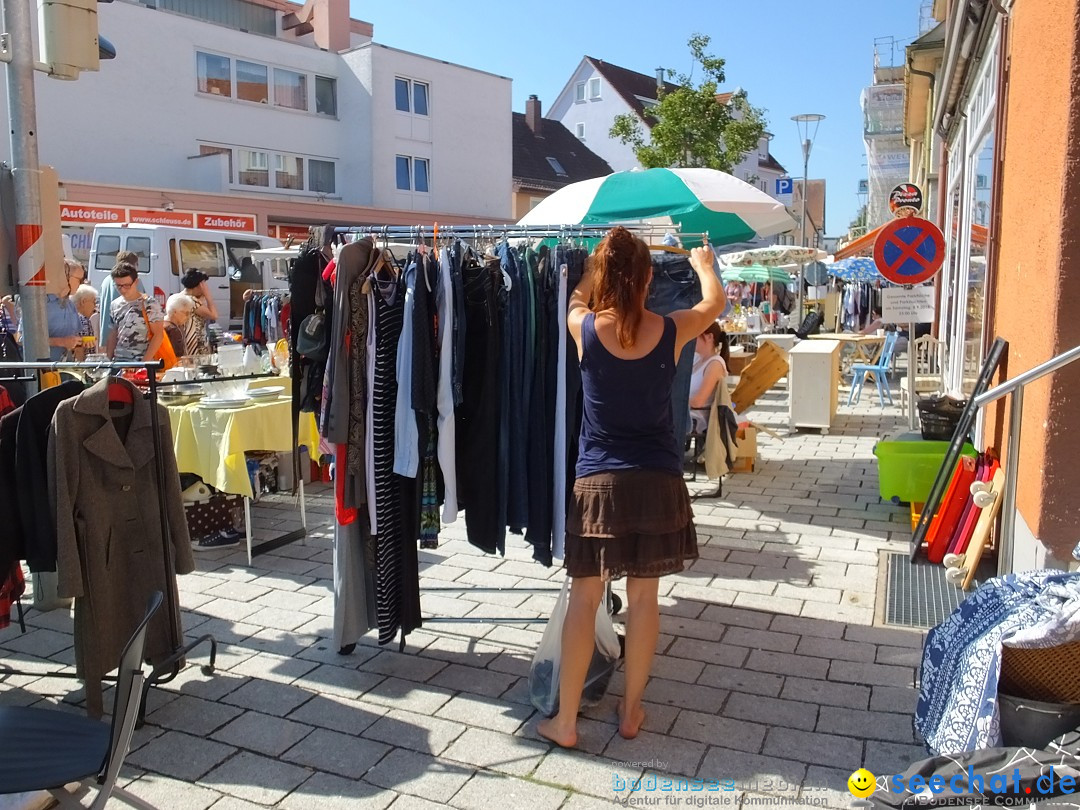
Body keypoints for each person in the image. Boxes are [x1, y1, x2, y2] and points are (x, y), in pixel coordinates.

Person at [537, 227, 725, 748]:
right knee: (644, 600)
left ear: (606, 280)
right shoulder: (671, 329)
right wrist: (703, 261)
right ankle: (632, 711)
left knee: (585, 597)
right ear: (646, 279)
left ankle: (567, 722)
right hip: (658, 478)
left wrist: (594, 272)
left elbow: (574, 299)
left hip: (598, 480)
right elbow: (715, 303)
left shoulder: (585, 328)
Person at [106, 261, 165, 361]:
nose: (123, 290)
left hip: (141, 361)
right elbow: (113, 333)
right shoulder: (114, 304)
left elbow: (158, 335)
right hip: (119, 361)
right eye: (118, 286)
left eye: (127, 285)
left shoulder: (149, 303)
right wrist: (108, 360)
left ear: (136, 282)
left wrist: (144, 363)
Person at [688, 322, 730, 434]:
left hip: (696, 416)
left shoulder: (715, 364)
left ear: (709, 337)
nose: (690, 338)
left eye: (694, 335)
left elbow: (698, 402)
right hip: (686, 412)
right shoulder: (696, 359)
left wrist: (674, 401)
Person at [99, 250, 144, 346]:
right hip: (126, 339)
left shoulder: (106, 281)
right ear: (134, 265)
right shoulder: (134, 282)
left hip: (106, 335)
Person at [45, 260, 87, 360]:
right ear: (66, 277)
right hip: (44, 369)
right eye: (79, 280)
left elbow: (73, 339)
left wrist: (81, 342)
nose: (81, 284)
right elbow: (23, 339)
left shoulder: (70, 305)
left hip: (66, 368)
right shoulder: (42, 304)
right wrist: (62, 342)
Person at [180, 269, 218, 356]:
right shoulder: (192, 301)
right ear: (199, 285)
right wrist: (208, 296)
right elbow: (214, 315)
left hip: (186, 344)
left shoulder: (182, 297)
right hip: (195, 346)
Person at [71, 283, 99, 358]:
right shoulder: (82, 320)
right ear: (83, 301)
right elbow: (79, 349)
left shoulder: (69, 316)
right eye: (93, 302)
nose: (95, 306)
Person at [163, 293, 193, 359]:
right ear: (174, 311)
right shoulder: (173, 330)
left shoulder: (160, 324)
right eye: (186, 313)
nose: (188, 316)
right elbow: (179, 358)